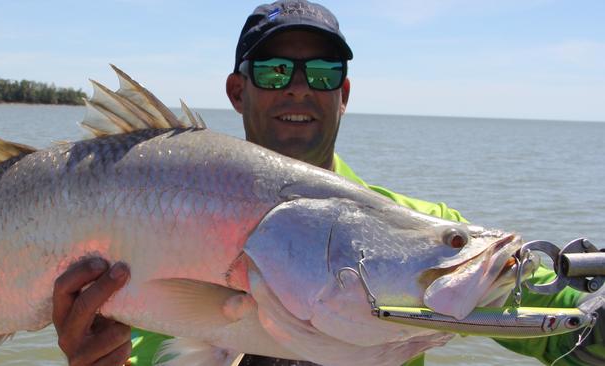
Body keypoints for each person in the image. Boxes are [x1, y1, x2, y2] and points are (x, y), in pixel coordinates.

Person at [52, 1, 605, 365]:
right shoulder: (142, 219)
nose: (299, 88)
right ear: (237, 91)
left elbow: (550, 311)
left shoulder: (425, 226)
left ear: (344, 93)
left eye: (322, 73)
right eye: (273, 71)